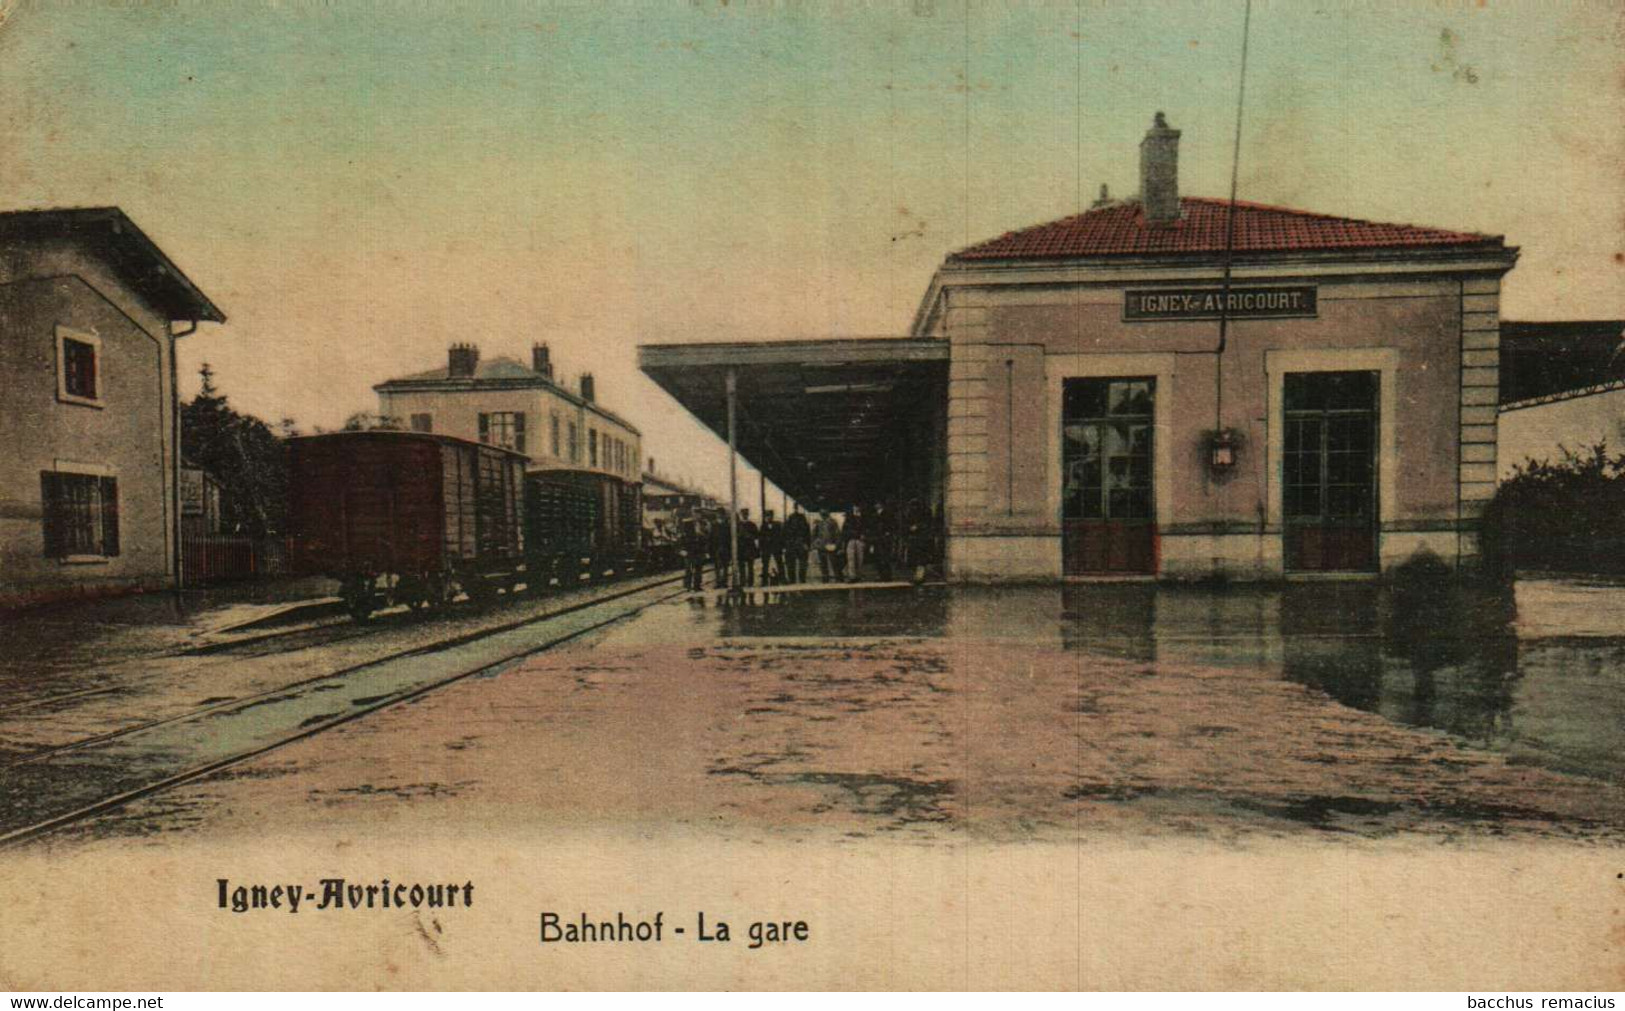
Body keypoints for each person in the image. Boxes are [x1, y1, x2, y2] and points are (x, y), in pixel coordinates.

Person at [782, 505, 811, 585]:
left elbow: (807, 534)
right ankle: (798, 581)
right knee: (795, 565)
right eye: (794, 508)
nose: (795, 510)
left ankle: (797, 581)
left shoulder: (790, 521)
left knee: (799, 565)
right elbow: (784, 535)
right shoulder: (801, 520)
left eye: (796, 508)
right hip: (794, 546)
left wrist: (807, 544)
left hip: (796, 546)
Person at [812, 508, 842, 583]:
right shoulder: (819, 523)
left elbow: (837, 534)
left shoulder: (833, 522)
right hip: (822, 546)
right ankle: (825, 578)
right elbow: (814, 535)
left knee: (834, 563)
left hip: (830, 546)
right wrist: (816, 543)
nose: (822, 514)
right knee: (823, 564)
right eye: (821, 513)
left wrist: (836, 545)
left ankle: (837, 578)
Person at [679, 519, 707, 592]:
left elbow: (703, 544)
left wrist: (703, 552)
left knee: (695, 570)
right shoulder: (685, 536)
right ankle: (690, 585)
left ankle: (695, 585)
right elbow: (679, 546)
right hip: (690, 555)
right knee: (691, 570)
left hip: (696, 555)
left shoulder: (698, 535)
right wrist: (682, 551)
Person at [759, 509, 785, 586]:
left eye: (770, 516)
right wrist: (761, 547)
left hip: (776, 547)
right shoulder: (763, 526)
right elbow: (761, 537)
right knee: (765, 564)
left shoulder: (777, 525)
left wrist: (781, 546)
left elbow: (781, 536)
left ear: (772, 516)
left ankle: (782, 578)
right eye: (767, 516)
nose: (769, 518)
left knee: (779, 562)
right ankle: (764, 580)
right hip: (766, 548)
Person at [870, 502, 895, 582]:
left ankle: (885, 576)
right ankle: (884, 575)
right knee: (881, 558)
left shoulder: (885, 515)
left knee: (883, 558)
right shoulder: (877, 515)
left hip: (883, 539)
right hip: (880, 539)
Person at [842, 504, 866, 583]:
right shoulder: (851, 518)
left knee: (858, 558)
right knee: (852, 559)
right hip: (853, 540)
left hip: (856, 540)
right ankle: (853, 576)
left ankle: (857, 575)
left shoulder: (861, 518)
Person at [737, 509, 761, 587]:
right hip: (741, 548)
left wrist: (750, 536)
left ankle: (750, 582)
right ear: (741, 515)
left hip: (749, 548)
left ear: (747, 515)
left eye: (746, 514)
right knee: (741, 567)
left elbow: (757, 536)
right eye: (743, 514)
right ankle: (742, 582)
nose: (744, 515)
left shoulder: (752, 524)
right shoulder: (737, 525)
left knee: (750, 566)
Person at [710, 512, 732, 588]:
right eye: (719, 516)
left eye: (721, 516)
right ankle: (718, 582)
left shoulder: (727, 526)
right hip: (716, 548)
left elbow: (729, 538)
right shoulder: (714, 525)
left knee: (725, 566)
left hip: (725, 548)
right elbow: (711, 538)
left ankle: (724, 582)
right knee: (717, 567)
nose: (720, 517)